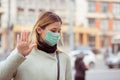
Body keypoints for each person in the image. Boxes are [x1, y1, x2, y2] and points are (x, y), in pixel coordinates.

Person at [0, 11, 72, 80]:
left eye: (59, 31)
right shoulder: (22, 54)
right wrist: (19, 55)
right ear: (39, 30)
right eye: (53, 31)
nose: (57, 34)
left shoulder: (64, 58)